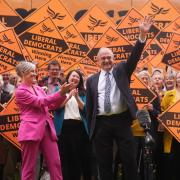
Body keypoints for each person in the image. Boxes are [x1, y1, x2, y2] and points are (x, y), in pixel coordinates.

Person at [86, 16, 153, 180]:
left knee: (129, 160)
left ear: (113, 59)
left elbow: (135, 56)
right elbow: (89, 107)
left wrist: (142, 35)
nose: (107, 60)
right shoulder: (91, 80)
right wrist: (92, 129)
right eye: (103, 58)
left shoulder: (122, 69)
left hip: (122, 121)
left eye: (109, 57)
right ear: (98, 61)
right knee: (104, 163)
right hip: (101, 124)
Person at [15, 61, 72, 180]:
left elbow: (50, 106)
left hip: (47, 129)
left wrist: (62, 94)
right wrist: (59, 93)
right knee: (29, 168)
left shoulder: (39, 89)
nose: (35, 73)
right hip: (30, 131)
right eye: (32, 71)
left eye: (35, 71)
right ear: (23, 73)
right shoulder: (20, 91)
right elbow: (40, 102)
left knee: (55, 163)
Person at [54, 70, 91, 180]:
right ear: (68, 78)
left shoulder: (84, 93)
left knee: (76, 158)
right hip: (63, 127)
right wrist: (68, 96)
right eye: (73, 75)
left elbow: (86, 110)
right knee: (63, 157)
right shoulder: (59, 90)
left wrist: (77, 97)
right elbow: (56, 107)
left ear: (80, 80)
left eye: (78, 77)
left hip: (79, 128)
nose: (75, 78)